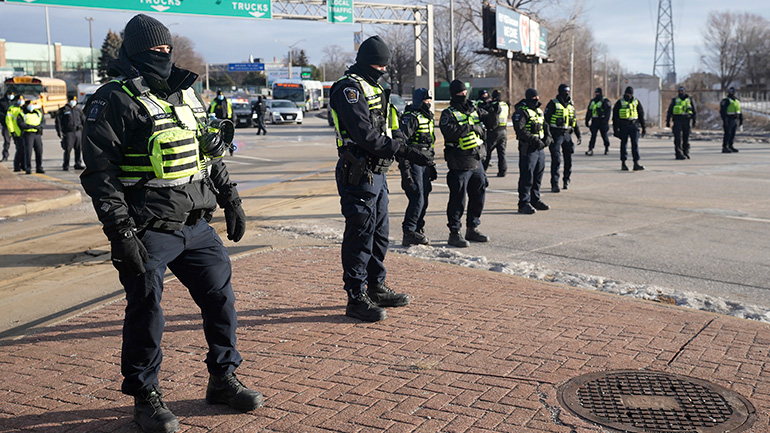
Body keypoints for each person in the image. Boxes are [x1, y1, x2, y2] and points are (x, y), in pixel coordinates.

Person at [79, 14, 263, 433]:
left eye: (167, 48)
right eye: (154, 50)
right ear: (134, 52)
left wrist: (230, 198)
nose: (163, 55)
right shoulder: (113, 99)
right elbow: (100, 176)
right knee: (146, 311)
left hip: (196, 225)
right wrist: (121, 233)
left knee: (221, 300)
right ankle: (145, 395)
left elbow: (208, 152)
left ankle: (223, 378)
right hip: (147, 227)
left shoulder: (187, 94)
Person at [329, 35, 429, 322]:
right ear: (366, 63)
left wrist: (406, 149)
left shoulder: (375, 87)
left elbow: (389, 127)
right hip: (358, 172)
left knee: (380, 233)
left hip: (378, 173)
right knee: (360, 234)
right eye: (379, 65)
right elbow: (365, 135)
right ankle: (356, 297)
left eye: (385, 66)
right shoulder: (348, 89)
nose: (383, 70)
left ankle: (376, 287)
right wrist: (404, 151)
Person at [440, 79, 492, 248]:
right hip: (459, 161)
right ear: (453, 94)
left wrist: (493, 111)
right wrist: (470, 127)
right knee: (458, 199)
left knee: (479, 195)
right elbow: (449, 131)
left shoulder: (474, 109)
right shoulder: (448, 113)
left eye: (464, 92)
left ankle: (472, 228)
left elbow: (491, 123)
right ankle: (454, 233)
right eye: (459, 93)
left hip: (476, 159)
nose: (463, 95)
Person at [398, 88, 436, 246]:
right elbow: (401, 145)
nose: (429, 103)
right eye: (426, 100)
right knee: (417, 196)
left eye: (430, 100)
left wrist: (431, 164)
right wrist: (405, 170)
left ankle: (418, 228)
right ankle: (409, 231)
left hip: (424, 163)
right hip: (413, 162)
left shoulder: (427, 117)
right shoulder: (411, 118)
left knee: (424, 197)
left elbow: (429, 143)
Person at [513, 88, 551, 214]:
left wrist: (548, 138)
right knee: (527, 176)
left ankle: (535, 200)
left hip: (539, 148)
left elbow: (545, 126)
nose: (536, 100)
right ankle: (523, 203)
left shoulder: (539, 111)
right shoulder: (521, 112)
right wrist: (535, 141)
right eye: (534, 98)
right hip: (528, 148)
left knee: (538, 175)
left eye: (537, 97)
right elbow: (521, 130)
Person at [544, 84, 581, 192]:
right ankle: (555, 183)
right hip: (556, 135)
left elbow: (574, 121)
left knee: (568, 159)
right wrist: (547, 135)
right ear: (560, 92)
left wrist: (578, 134)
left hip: (567, 135)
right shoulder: (553, 103)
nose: (567, 94)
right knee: (556, 160)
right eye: (565, 92)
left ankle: (566, 180)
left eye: (568, 92)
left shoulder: (571, 105)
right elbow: (546, 120)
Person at [612, 86, 646, 171]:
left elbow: (641, 115)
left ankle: (636, 163)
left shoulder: (636, 102)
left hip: (634, 125)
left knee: (635, 144)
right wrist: (615, 129)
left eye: (630, 93)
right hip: (623, 125)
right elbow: (615, 117)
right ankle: (623, 163)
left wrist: (643, 127)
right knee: (624, 144)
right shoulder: (620, 102)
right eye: (627, 93)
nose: (628, 95)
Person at [482, 89, 509, 177]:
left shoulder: (493, 105)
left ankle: (483, 170)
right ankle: (503, 171)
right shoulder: (505, 105)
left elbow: (487, 113)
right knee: (502, 153)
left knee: (487, 151)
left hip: (494, 131)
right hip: (504, 130)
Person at [55, 95, 86, 170]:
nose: (73, 102)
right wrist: (59, 132)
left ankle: (78, 163)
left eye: (74, 100)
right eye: (72, 100)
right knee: (68, 149)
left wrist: (84, 130)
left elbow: (83, 120)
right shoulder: (63, 110)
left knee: (78, 149)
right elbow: (58, 122)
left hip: (78, 131)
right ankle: (66, 164)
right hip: (69, 132)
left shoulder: (78, 110)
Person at [666, 86, 696, 160]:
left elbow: (694, 111)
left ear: (685, 91)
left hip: (687, 120)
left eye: (682, 90)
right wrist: (668, 121)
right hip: (677, 120)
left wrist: (694, 121)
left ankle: (686, 152)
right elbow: (670, 111)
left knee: (686, 137)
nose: (681, 92)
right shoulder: (675, 100)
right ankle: (678, 153)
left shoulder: (689, 99)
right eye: (680, 91)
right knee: (678, 138)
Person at [15, 100, 45, 174]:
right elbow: (20, 124)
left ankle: (39, 167)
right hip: (28, 134)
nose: (31, 106)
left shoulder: (38, 113)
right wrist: (30, 126)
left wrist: (39, 127)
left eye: (32, 104)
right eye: (29, 104)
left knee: (39, 151)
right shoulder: (22, 113)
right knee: (28, 152)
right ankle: (28, 168)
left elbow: (43, 121)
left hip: (37, 134)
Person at [585, 87, 611, 156]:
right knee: (593, 135)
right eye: (596, 93)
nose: (597, 94)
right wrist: (587, 120)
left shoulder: (605, 101)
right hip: (595, 121)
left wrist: (605, 121)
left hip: (602, 121)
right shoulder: (593, 101)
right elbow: (589, 111)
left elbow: (608, 112)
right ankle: (590, 149)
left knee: (604, 135)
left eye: (598, 93)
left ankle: (606, 147)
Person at [5, 95, 25, 172]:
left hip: (25, 132)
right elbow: (8, 121)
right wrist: (12, 131)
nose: (21, 101)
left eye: (22, 99)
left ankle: (23, 165)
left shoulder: (24, 108)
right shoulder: (12, 109)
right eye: (19, 99)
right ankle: (17, 166)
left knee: (25, 150)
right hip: (16, 133)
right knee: (20, 149)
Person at [720, 87, 742, 153]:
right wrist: (725, 120)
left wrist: (741, 119)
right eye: (730, 91)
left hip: (735, 119)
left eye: (732, 91)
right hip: (728, 119)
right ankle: (725, 147)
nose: (731, 92)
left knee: (732, 133)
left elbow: (739, 110)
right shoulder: (726, 100)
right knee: (727, 133)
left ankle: (730, 146)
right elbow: (722, 111)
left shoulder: (736, 100)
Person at [0, 90, 15, 161]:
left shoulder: (15, 102)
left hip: (15, 125)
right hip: (6, 125)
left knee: (19, 141)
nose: (11, 95)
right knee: (7, 141)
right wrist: (4, 119)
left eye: (12, 94)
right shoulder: (2, 102)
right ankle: (5, 156)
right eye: (9, 94)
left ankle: (21, 157)